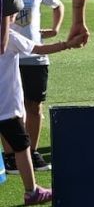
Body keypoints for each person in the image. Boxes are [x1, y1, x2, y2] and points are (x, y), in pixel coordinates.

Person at [1, 29, 84, 205]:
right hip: (7, 109)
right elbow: (38, 49)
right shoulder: (9, 35)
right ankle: (32, 192)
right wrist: (66, 45)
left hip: (7, 108)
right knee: (22, 147)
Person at [2, 0, 63, 173]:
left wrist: (55, 29)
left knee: (34, 106)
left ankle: (33, 151)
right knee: (9, 110)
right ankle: (10, 155)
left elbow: (58, 6)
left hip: (35, 57)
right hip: (10, 57)